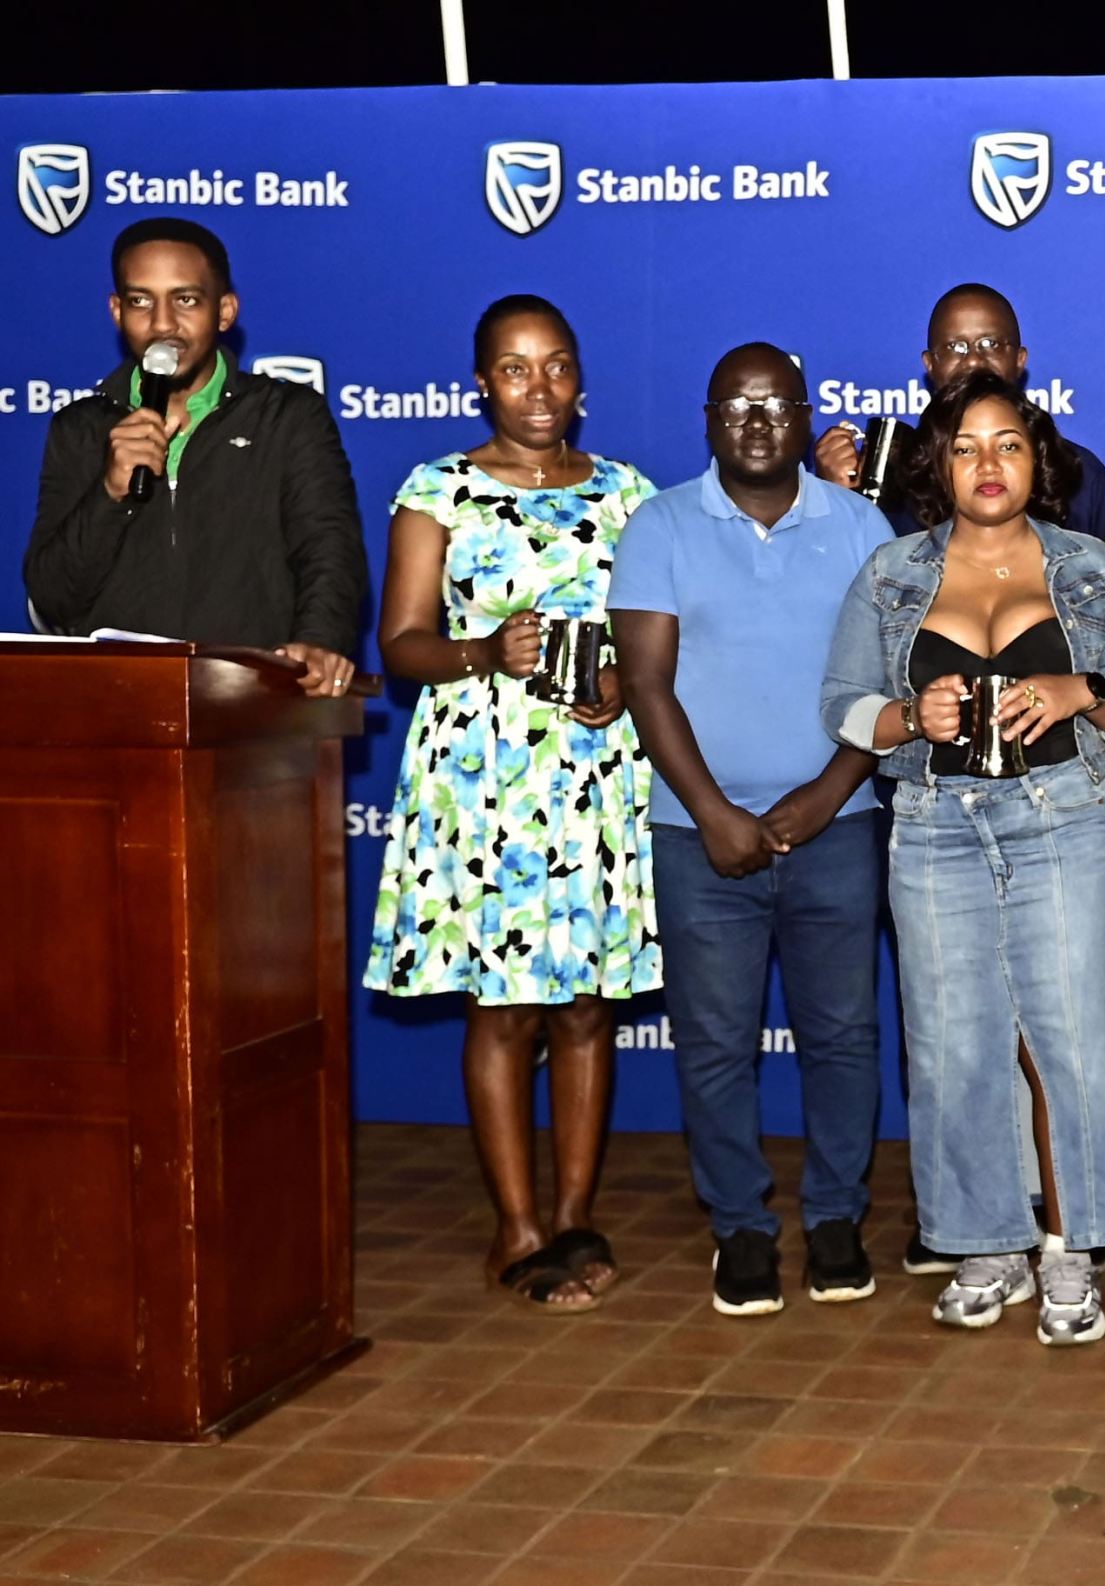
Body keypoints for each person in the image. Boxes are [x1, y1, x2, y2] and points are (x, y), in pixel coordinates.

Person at [818, 370, 1105, 1346]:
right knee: (954, 1043)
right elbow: (840, 706)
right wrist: (902, 716)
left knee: (1075, 1044)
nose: (987, 464)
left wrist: (1078, 686)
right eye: (965, 446)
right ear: (939, 463)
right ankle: (985, 1244)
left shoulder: (1087, 563)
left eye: (1006, 442)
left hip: (1063, 818)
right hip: (932, 826)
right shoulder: (890, 573)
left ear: (1034, 456)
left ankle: (1070, 1248)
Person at [364, 294, 661, 1312]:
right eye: (516, 367)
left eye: (557, 365)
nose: (539, 387)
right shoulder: (438, 490)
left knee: (585, 1007)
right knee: (506, 1008)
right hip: (483, 775)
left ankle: (575, 1214)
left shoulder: (629, 493)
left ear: (583, 378)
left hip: (593, 770)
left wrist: (624, 681)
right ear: (482, 380)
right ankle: (517, 1224)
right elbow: (399, 643)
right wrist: (485, 650)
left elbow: (659, 638)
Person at [609, 343, 895, 1318]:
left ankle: (834, 1217)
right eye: (737, 404)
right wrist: (713, 810)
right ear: (708, 417)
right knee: (716, 1043)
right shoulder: (660, 524)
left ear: (805, 413)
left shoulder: (860, 523)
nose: (758, 421)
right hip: (699, 833)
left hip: (839, 822)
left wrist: (829, 790)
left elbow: (890, 683)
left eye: (776, 404)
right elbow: (644, 683)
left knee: (845, 1037)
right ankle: (738, 1225)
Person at [25, 216, 364, 695]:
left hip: (254, 702)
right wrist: (109, 491)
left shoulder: (287, 417)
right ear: (117, 311)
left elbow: (328, 550)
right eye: (141, 301)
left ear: (224, 312)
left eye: (185, 300)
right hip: (119, 705)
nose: (163, 324)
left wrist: (318, 641)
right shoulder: (80, 428)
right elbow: (52, 596)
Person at [816, 282, 1105, 541]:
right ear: (929, 365)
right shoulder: (890, 474)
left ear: (1020, 359)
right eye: (955, 347)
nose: (974, 361)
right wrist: (838, 502)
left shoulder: (1077, 473)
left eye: (990, 344)